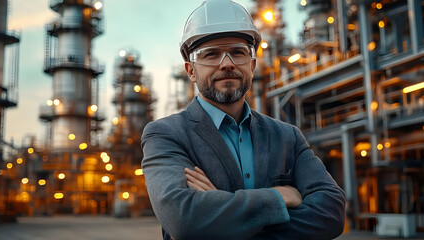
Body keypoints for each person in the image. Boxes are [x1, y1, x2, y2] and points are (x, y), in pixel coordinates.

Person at [141, 0, 346, 239]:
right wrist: (279, 197)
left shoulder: (287, 136)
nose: (226, 63)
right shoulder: (166, 134)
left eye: (238, 52)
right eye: (211, 54)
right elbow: (184, 219)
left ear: (253, 65)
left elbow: (331, 213)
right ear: (191, 71)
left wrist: (220, 213)